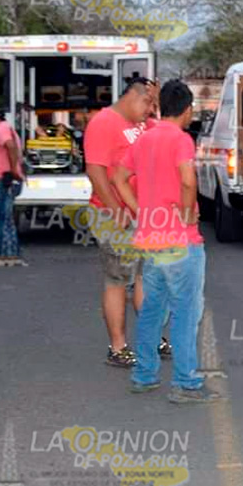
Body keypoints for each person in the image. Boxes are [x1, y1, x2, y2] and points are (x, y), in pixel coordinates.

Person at [112, 81, 219, 403]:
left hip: (151, 239)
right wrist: (187, 213)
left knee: (151, 311)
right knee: (185, 312)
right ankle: (186, 383)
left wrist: (139, 209)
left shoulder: (144, 139)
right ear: (187, 110)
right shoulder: (181, 139)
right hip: (180, 241)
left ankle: (144, 376)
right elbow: (188, 179)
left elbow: (118, 177)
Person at [85, 76, 161, 368]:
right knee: (117, 281)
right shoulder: (105, 122)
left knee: (144, 277)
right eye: (148, 101)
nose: (151, 108)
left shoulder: (142, 124)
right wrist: (116, 209)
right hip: (113, 215)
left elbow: (165, 132)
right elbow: (96, 170)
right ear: (131, 95)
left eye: (154, 103)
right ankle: (118, 347)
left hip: (140, 214)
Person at [0, 108, 26, 267]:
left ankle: (5, 254)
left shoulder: (1, 129)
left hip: (5, 179)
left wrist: (13, 169)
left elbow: (11, 146)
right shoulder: (6, 128)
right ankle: (11, 254)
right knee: (5, 217)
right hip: (6, 178)